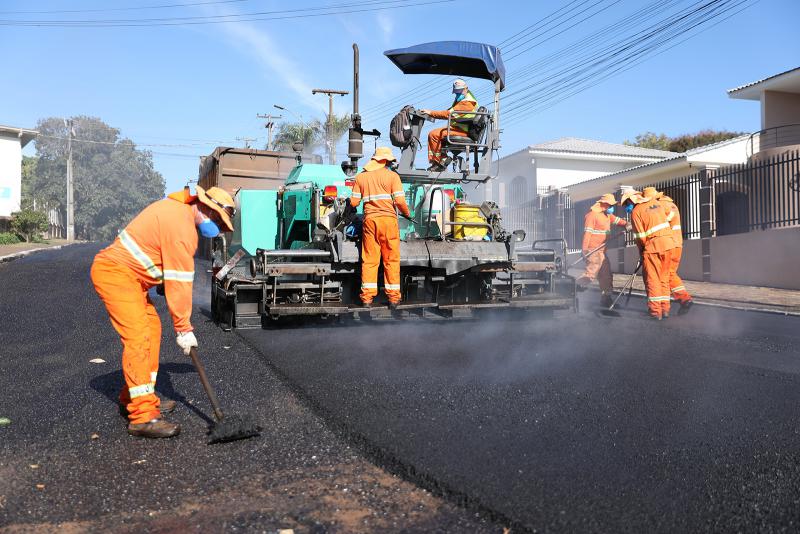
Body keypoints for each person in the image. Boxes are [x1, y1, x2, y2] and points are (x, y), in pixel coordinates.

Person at [91, 185, 236, 438]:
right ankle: (142, 417)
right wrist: (183, 328)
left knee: (152, 329)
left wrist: (161, 282)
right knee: (138, 337)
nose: (216, 225)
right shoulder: (181, 226)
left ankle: (135, 397)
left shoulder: (178, 214)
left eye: (220, 222)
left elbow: (159, 259)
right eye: (215, 218)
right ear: (202, 205)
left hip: (132, 279)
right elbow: (180, 284)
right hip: (116, 274)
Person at [348, 147, 411, 309]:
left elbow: (354, 203)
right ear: (385, 161)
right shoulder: (392, 177)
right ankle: (393, 299)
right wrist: (408, 214)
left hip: (370, 222)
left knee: (369, 260)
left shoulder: (361, 177)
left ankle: (367, 299)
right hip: (389, 222)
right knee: (391, 260)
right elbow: (400, 202)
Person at [622, 189, 677, 320]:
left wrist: (642, 251)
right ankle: (665, 309)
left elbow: (640, 237)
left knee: (653, 280)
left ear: (632, 200)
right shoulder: (655, 203)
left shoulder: (636, 212)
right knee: (664, 278)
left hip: (653, 248)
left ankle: (655, 311)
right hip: (669, 245)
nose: (627, 208)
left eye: (627, 205)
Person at [576, 193, 630, 307]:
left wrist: (626, 224)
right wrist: (585, 250)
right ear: (604, 205)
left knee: (606, 275)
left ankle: (606, 298)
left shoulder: (607, 215)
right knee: (590, 274)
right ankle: (573, 288)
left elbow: (617, 220)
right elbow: (587, 233)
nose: (612, 208)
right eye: (611, 205)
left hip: (602, 251)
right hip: (593, 250)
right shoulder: (592, 216)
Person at [419, 79, 479, 171]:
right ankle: (443, 158)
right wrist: (432, 114)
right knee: (437, 134)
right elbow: (449, 112)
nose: (457, 94)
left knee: (434, 134)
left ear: (466, 88)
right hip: (459, 129)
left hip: (464, 131)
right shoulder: (464, 100)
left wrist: (430, 112)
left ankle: (438, 162)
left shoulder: (467, 103)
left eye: (459, 91)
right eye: (456, 92)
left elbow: (448, 114)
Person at [658, 191, 693, 314]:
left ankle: (664, 306)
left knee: (664, 275)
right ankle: (684, 298)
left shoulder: (661, 205)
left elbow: (659, 224)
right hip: (677, 244)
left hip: (669, 245)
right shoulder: (671, 204)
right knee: (670, 273)